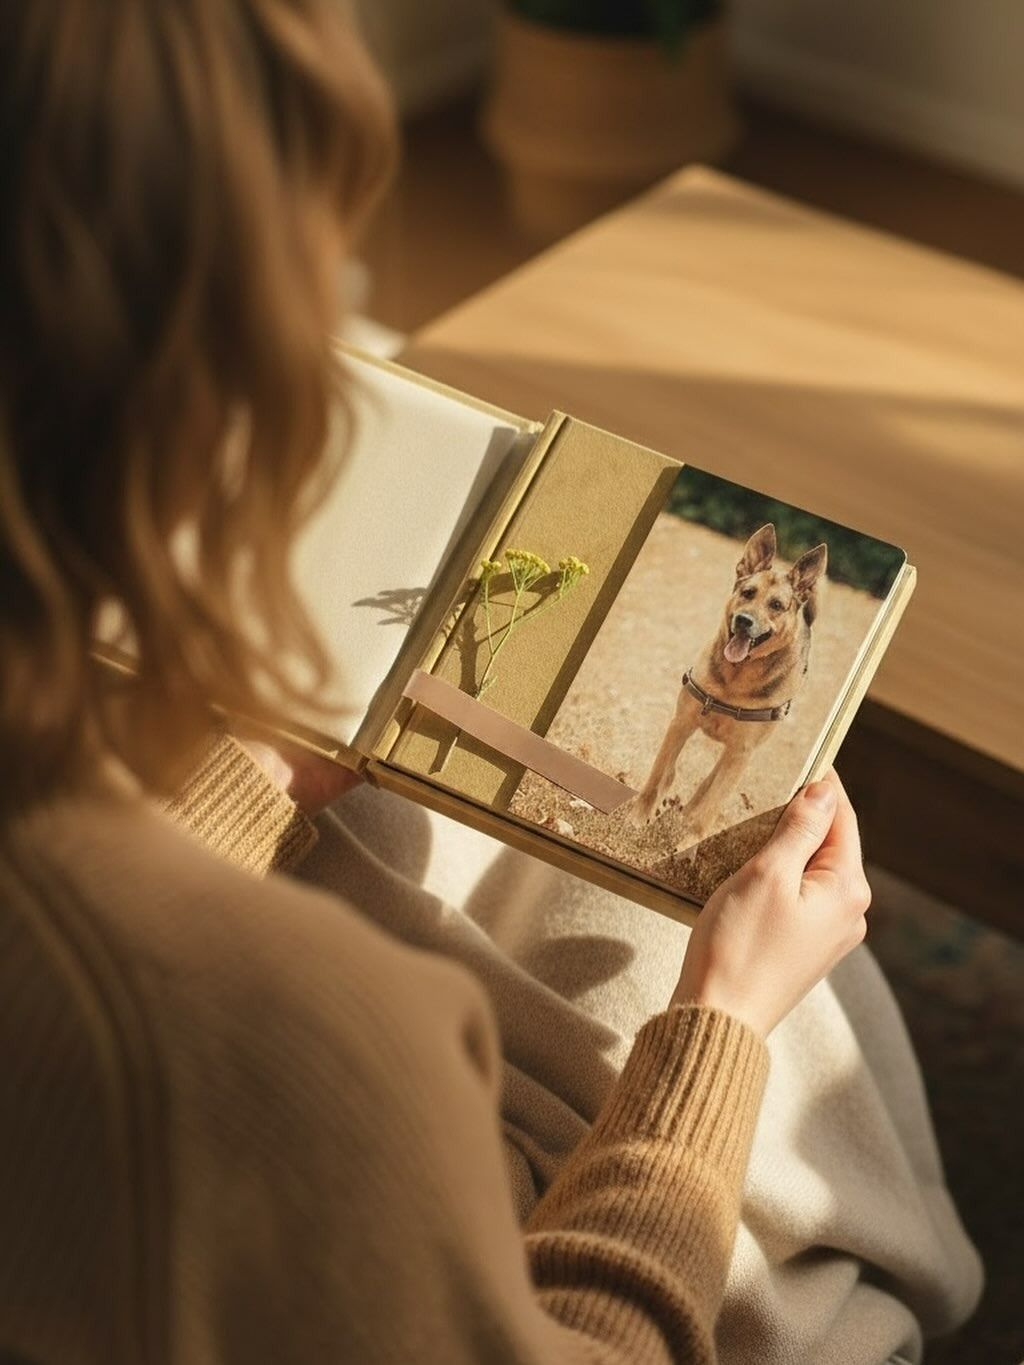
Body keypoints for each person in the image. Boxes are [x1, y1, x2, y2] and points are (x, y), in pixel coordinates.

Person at [0, 3, 980, 1363]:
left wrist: (248, 781)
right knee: (776, 1088)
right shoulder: (310, 1042)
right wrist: (721, 1024)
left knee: (459, 828)